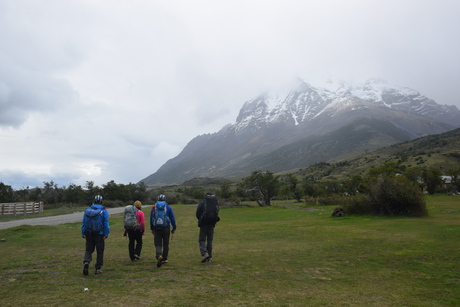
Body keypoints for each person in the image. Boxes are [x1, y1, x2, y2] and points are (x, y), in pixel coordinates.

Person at [81, 195, 110, 275]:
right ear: (101, 202)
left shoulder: (87, 210)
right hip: (99, 233)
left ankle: (86, 262)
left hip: (89, 233)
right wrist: (106, 233)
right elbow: (105, 223)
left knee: (89, 249)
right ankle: (98, 268)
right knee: (100, 251)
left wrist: (83, 233)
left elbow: (83, 222)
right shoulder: (103, 211)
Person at [150, 194, 176, 268]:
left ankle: (159, 255)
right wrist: (174, 227)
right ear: (165, 200)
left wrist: (152, 228)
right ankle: (164, 258)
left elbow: (151, 219)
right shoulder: (168, 208)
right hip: (166, 228)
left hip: (157, 228)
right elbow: (172, 218)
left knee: (158, 244)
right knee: (165, 244)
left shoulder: (154, 208)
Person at [196, 193, 220, 263]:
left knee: (202, 240)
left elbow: (197, 213)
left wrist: (201, 219)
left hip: (204, 224)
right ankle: (210, 257)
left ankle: (205, 253)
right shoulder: (213, 203)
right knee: (209, 241)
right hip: (212, 224)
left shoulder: (202, 203)